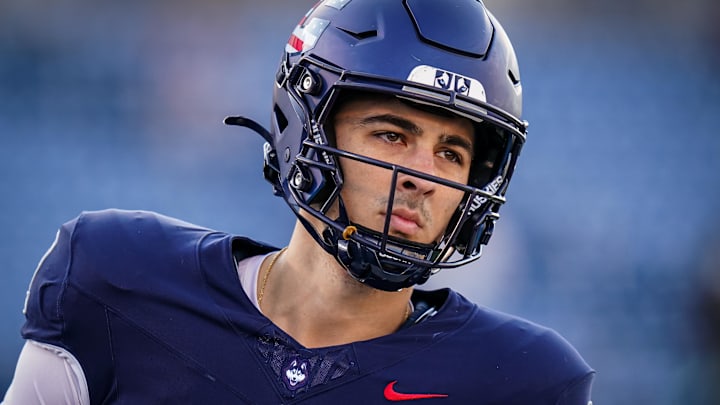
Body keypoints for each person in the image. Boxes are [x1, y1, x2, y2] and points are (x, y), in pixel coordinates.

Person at [3, 0, 595, 403]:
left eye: (451, 153)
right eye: (392, 135)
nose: (423, 176)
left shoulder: (525, 381)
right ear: (307, 130)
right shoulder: (113, 278)